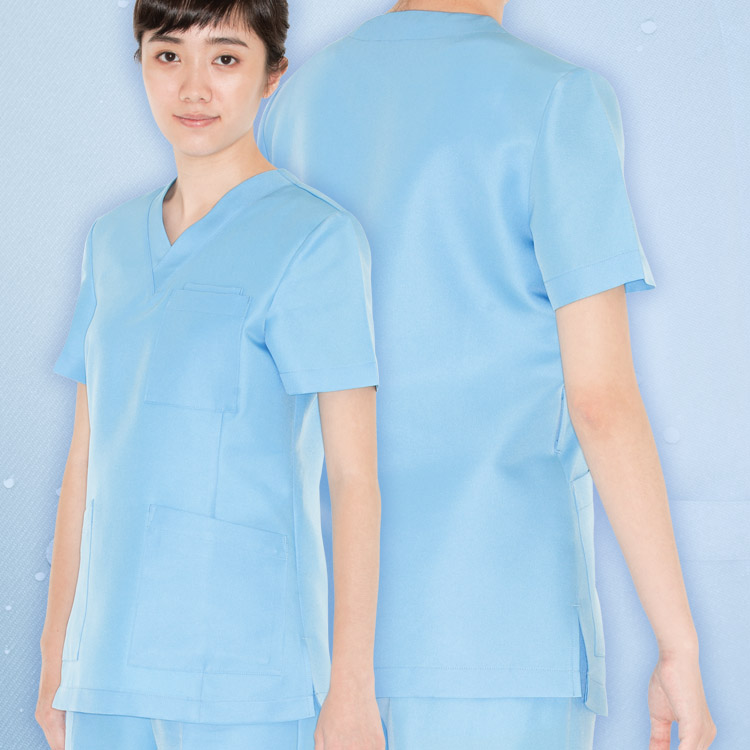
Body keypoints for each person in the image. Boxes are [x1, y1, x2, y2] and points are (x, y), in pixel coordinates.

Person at [257, 1, 717, 748]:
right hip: (501, 630)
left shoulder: (292, 103)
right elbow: (599, 399)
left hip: (314, 642)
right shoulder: (555, 100)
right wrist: (679, 646)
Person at [36, 2, 386, 749]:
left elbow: (354, 478)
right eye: (168, 55)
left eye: (225, 58)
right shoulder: (110, 241)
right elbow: (87, 458)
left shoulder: (315, 239)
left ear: (273, 75)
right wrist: (54, 654)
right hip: (106, 675)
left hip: (248, 677)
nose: (193, 86)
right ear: (140, 64)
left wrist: (352, 685)